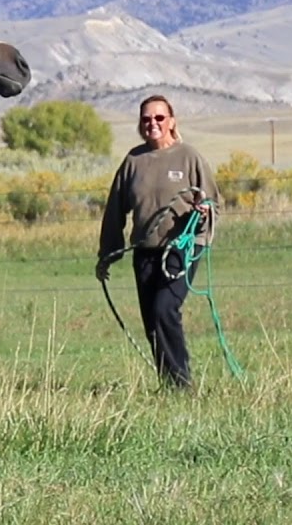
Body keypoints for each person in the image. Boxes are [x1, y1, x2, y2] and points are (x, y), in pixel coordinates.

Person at [96, 95, 221, 389]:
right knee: (152, 320)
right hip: (144, 250)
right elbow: (115, 210)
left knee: (165, 308)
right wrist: (107, 254)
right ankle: (168, 384)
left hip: (183, 247)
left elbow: (213, 201)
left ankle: (181, 385)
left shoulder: (189, 157)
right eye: (146, 119)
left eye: (159, 118)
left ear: (172, 121)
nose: (153, 123)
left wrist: (204, 213)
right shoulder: (133, 161)